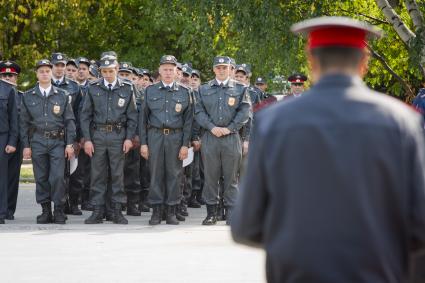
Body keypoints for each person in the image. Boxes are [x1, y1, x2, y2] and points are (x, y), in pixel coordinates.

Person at [231, 17, 425, 283]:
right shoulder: (401, 122)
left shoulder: (273, 122)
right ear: (364, 62)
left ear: (311, 61)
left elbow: (246, 227)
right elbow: (419, 225)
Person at [80, 57, 138, 224]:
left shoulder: (127, 87)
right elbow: (85, 116)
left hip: (118, 136)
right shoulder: (93, 87)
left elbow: (132, 116)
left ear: (117, 68)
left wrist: (129, 138)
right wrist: (88, 140)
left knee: (117, 174)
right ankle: (97, 211)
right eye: (104, 71)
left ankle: (116, 210)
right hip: (98, 135)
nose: (107, 74)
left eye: (110, 70)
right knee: (97, 174)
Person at [195, 56, 250, 225]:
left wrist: (230, 128)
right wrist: (211, 127)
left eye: (224, 67)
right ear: (213, 69)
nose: (221, 70)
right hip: (211, 137)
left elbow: (245, 112)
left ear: (231, 70)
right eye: (218, 67)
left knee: (231, 177)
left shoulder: (240, 89)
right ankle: (212, 212)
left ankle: (231, 212)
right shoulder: (203, 89)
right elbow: (198, 111)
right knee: (211, 177)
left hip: (231, 137)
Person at [20, 59, 76, 224]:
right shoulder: (28, 96)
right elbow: (23, 123)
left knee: (58, 177)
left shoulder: (62, 95)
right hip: (37, 141)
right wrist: (25, 146)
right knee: (41, 177)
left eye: (47, 70)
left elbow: (70, 121)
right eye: (41, 71)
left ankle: (58, 209)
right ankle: (45, 210)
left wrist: (69, 143)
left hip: (57, 142)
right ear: (36, 74)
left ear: (51, 73)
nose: (44, 73)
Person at [139, 55, 193, 225]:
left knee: (174, 175)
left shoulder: (185, 92)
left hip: (176, 138)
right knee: (155, 174)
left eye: (171, 69)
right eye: (165, 69)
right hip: (155, 136)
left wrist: (185, 145)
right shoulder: (150, 91)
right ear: (160, 70)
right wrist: (144, 143)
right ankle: (156, 211)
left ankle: (171, 211)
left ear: (176, 71)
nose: (168, 72)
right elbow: (143, 119)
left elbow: (189, 122)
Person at [0, 60, 22, 220]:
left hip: (10, 139)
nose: (8, 77)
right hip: (5, 137)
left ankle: (5, 210)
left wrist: (14, 142)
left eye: (11, 75)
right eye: (4, 74)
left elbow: (17, 120)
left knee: (8, 177)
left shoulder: (16, 93)